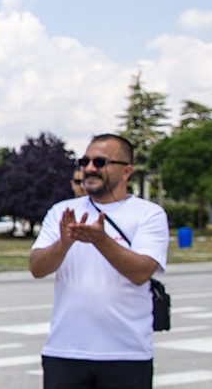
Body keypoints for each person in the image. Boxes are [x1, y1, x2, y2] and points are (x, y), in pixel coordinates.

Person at [29, 133, 169, 389]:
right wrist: (64, 243)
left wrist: (101, 240)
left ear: (126, 171)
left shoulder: (148, 214)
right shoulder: (62, 212)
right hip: (65, 352)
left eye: (100, 162)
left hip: (126, 355)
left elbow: (141, 272)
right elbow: (37, 268)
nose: (89, 169)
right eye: (85, 162)